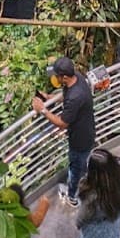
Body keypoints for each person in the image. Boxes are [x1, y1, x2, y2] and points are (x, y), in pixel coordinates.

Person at [31, 56, 96, 208]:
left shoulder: (75, 97)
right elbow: (65, 96)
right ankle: (86, 179)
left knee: (74, 168)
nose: (54, 78)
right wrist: (48, 98)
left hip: (79, 140)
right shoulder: (77, 78)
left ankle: (72, 198)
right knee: (82, 163)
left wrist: (43, 110)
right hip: (87, 133)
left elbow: (62, 123)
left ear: (64, 77)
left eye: (56, 76)